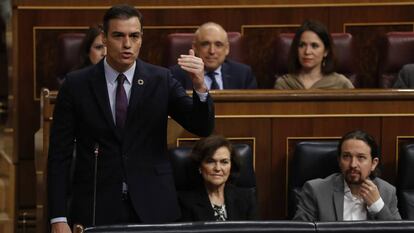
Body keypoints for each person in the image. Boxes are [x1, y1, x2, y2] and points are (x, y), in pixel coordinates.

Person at [47, 4, 214, 232]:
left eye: (134, 36)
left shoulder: (161, 80)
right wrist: (58, 217)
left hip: (153, 205)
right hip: (96, 207)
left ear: (141, 38)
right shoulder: (76, 85)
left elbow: (201, 127)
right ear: (104, 39)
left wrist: (199, 86)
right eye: (118, 36)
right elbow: (59, 155)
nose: (127, 44)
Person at [293, 129, 401, 221]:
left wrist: (378, 206)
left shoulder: (387, 192)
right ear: (339, 161)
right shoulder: (316, 191)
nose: (353, 164)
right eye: (346, 156)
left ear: (373, 163)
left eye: (361, 157)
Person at [178, 135, 258, 221]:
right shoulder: (184, 202)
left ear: (231, 166)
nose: (217, 168)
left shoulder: (246, 198)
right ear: (199, 166)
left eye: (224, 162)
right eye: (210, 161)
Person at [170, 22, 257, 90]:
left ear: (227, 49)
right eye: (205, 44)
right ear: (195, 47)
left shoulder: (243, 74)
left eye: (218, 45)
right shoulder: (176, 75)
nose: (212, 51)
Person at [274, 20, 354, 90]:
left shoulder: (341, 84)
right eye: (302, 45)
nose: (307, 52)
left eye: (314, 46)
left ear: (326, 51)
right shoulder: (284, 84)